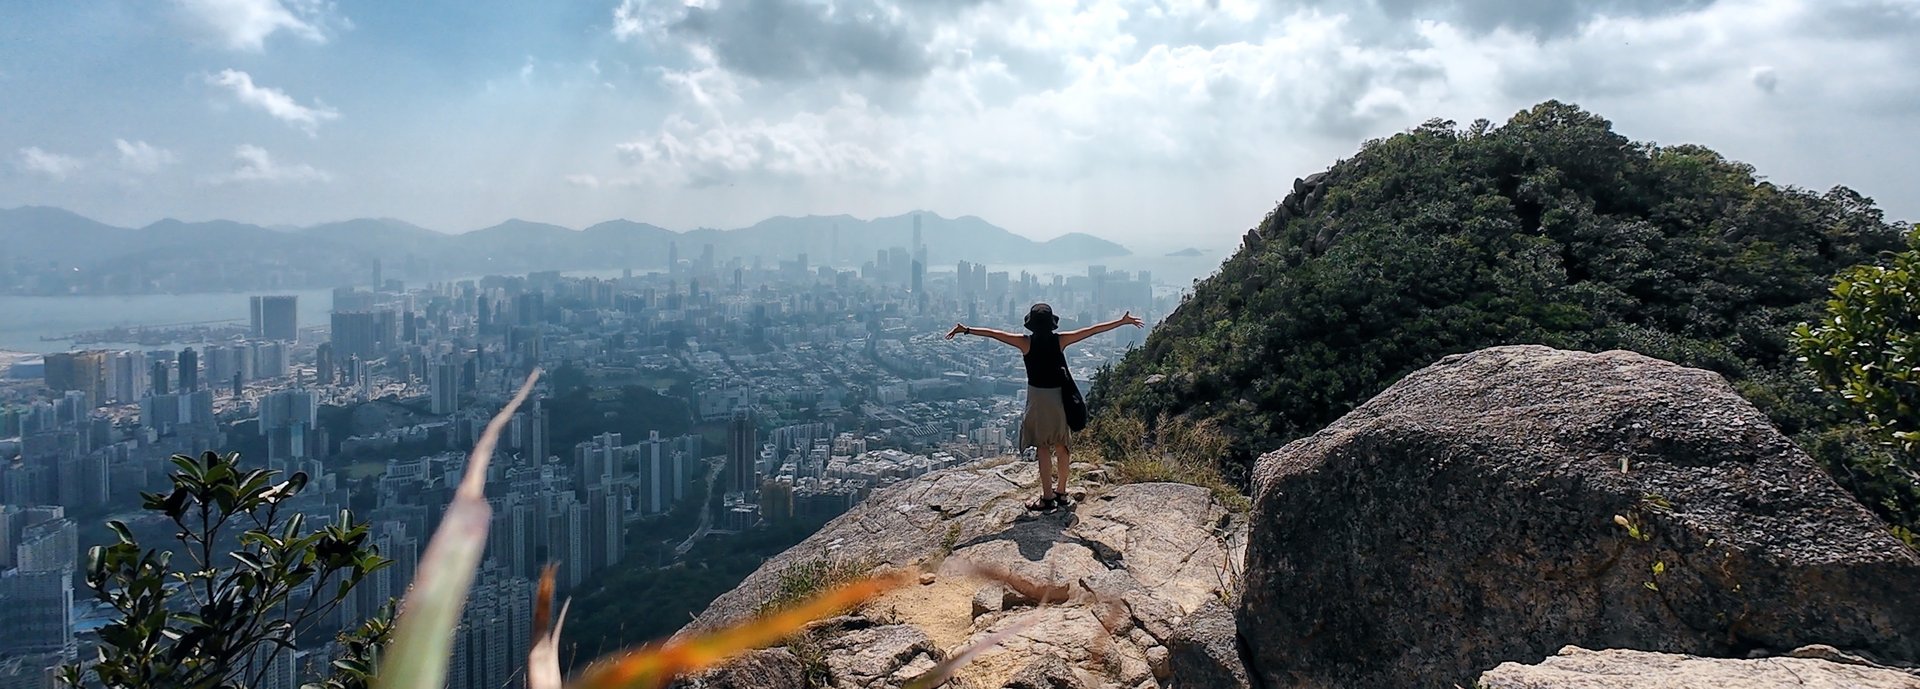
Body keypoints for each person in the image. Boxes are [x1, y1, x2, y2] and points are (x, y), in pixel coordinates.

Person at [946, 304, 1145, 510]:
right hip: (1059, 397)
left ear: (1031, 324)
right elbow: (1092, 330)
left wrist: (966, 330)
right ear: (1051, 323)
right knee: (1062, 444)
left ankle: (1047, 497)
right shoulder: (1060, 340)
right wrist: (1121, 322)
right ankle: (1062, 492)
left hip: (1038, 398)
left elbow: (995, 334)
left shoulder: (1025, 343)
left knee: (1043, 446)